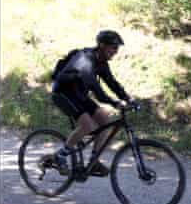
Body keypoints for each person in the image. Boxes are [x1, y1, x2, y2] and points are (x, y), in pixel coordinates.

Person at [51, 30, 133, 177]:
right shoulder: (85, 60)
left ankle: (94, 161)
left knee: (105, 119)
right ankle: (60, 156)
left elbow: (112, 83)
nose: (116, 52)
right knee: (88, 126)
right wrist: (114, 103)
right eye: (113, 48)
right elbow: (97, 90)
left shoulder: (101, 62)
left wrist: (128, 98)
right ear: (102, 45)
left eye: (117, 48)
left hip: (79, 95)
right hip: (63, 93)